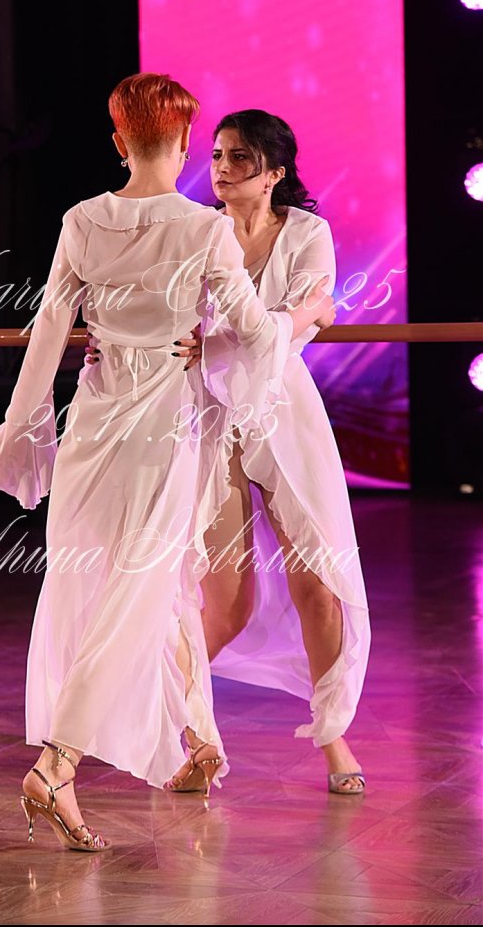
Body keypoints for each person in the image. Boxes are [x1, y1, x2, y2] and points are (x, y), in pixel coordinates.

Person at [0, 78, 334, 853]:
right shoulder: (204, 229)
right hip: (162, 431)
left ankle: (189, 741)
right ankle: (57, 763)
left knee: (112, 591)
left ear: (119, 141)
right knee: (134, 596)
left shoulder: (82, 220)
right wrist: (305, 311)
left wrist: (20, 429)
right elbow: (257, 335)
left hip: (92, 424)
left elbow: (47, 334)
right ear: (186, 141)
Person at [87, 109, 370, 796]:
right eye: (216, 154)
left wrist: (271, 326)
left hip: (284, 412)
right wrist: (117, 342)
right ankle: (174, 722)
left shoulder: (306, 233)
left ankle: (332, 734)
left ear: (274, 173)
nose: (221, 168)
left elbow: (297, 327)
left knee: (319, 585)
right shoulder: (197, 231)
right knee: (226, 602)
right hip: (208, 416)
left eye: (240, 157)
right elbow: (165, 319)